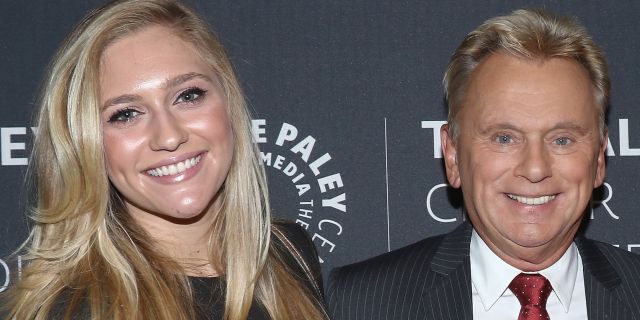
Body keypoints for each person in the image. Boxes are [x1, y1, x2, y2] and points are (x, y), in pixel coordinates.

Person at [1, 0, 328, 319]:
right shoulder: (82, 309)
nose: (169, 136)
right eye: (126, 114)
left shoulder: (287, 253)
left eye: (188, 95)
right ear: (85, 144)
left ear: (228, 98)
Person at [327, 8, 640, 320]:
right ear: (452, 155)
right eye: (504, 138)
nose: (534, 169)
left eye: (562, 140)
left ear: (599, 158)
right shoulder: (360, 303)